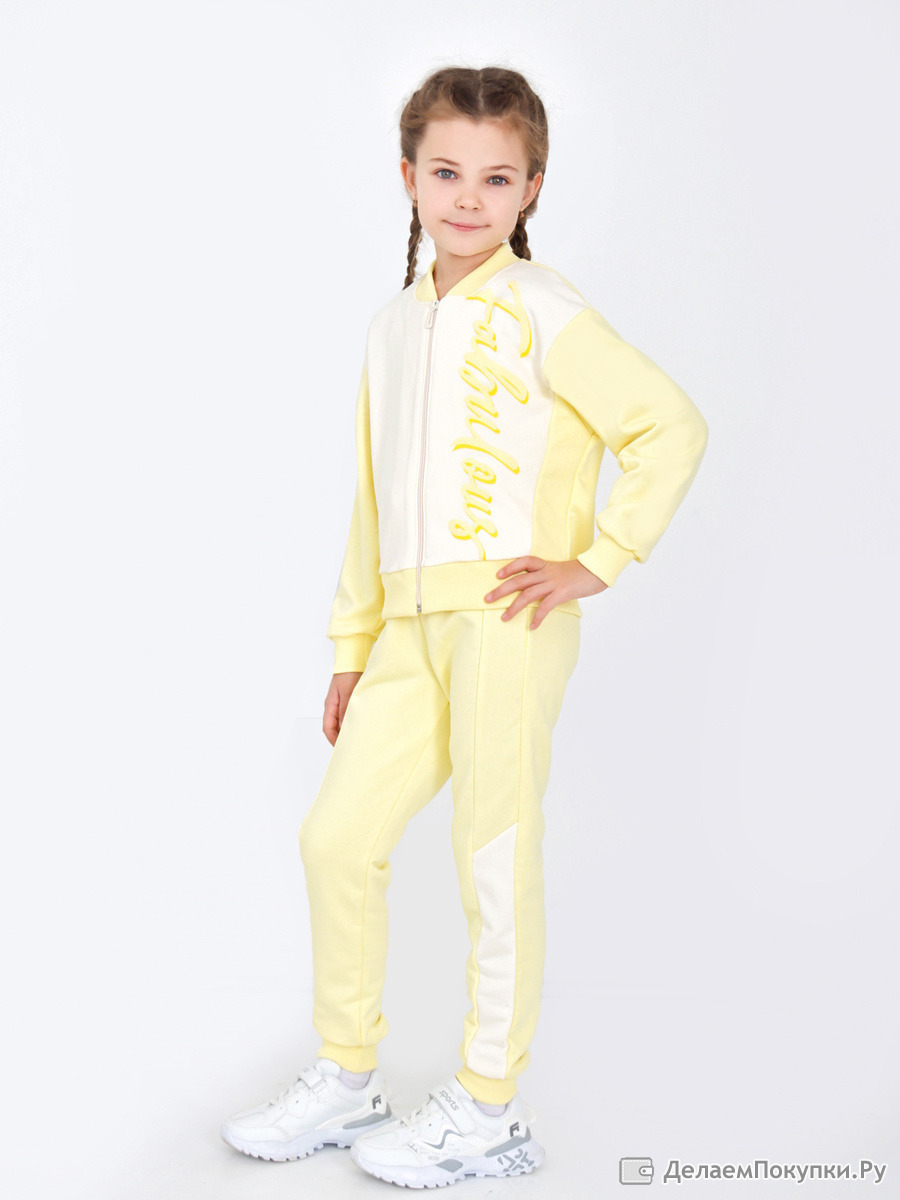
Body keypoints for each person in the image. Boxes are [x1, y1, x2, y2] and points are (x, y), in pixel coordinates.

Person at [220, 64, 709, 1188]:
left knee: (492, 848)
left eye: (497, 177)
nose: (469, 198)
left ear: (531, 187)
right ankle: (348, 1075)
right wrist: (352, 648)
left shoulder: (544, 306)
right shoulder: (393, 327)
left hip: (506, 618)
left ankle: (490, 1107)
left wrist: (600, 559)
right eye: (446, 172)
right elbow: (372, 500)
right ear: (408, 178)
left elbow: (669, 425)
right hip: (407, 630)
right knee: (336, 838)